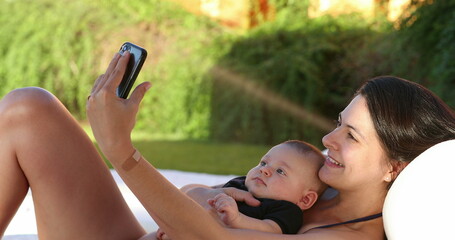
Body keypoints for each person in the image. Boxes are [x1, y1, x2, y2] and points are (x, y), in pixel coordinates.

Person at [0, 52, 454, 239]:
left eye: (350, 137)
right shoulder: (316, 181)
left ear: (394, 166)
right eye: (338, 123)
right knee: (29, 108)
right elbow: (203, 196)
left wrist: (122, 152)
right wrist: (201, 197)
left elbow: (213, 237)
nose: (328, 139)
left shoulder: (350, 236)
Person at [156, 140, 327, 239]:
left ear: (305, 199)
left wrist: (237, 219)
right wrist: (179, 222)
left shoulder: (286, 209)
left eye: (280, 171)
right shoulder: (239, 184)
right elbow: (196, 199)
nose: (264, 170)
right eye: (264, 163)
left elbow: (270, 230)